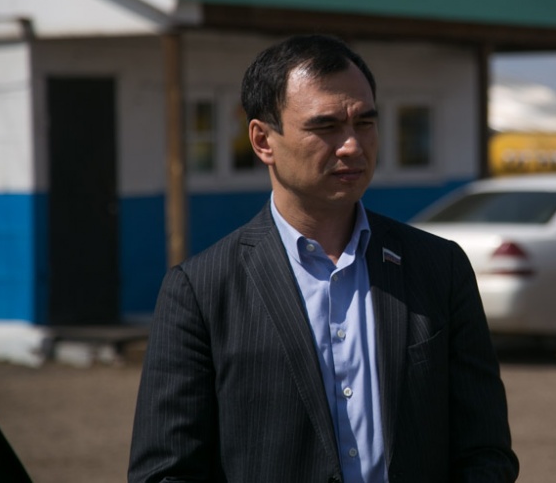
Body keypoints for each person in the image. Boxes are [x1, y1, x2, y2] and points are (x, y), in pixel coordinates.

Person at [128, 34, 519, 483]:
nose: (352, 145)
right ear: (262, 140)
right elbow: (166, 472)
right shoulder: (201, 291)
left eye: (365, 123)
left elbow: (485, 451)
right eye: (326, 127)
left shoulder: (438, 267)